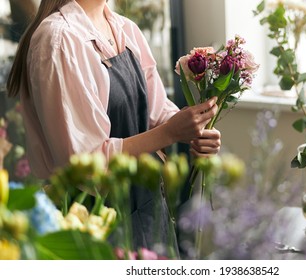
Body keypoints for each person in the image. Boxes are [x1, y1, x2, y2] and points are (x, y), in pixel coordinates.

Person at [6, 0, 221, 256]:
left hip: (149, 207)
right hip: (91, 219)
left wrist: (194, 130)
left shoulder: (126, 29)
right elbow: (83, 164)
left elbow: (158, 113)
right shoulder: (59, 39)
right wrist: (172, 132)